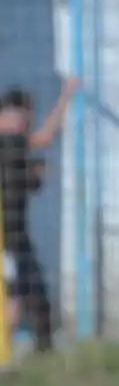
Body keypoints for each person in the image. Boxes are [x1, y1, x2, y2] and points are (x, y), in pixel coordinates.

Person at [0, 78, 76, 353]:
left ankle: (24, 348)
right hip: (9, 233)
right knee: (21, 290)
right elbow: (45, 138)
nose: (30, 120)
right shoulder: (11, 140)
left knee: (20, 290)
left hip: (14, 233)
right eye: (28, 114)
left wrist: (33, 175)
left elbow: (27, 180)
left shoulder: (14, 146)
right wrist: (67, 97)